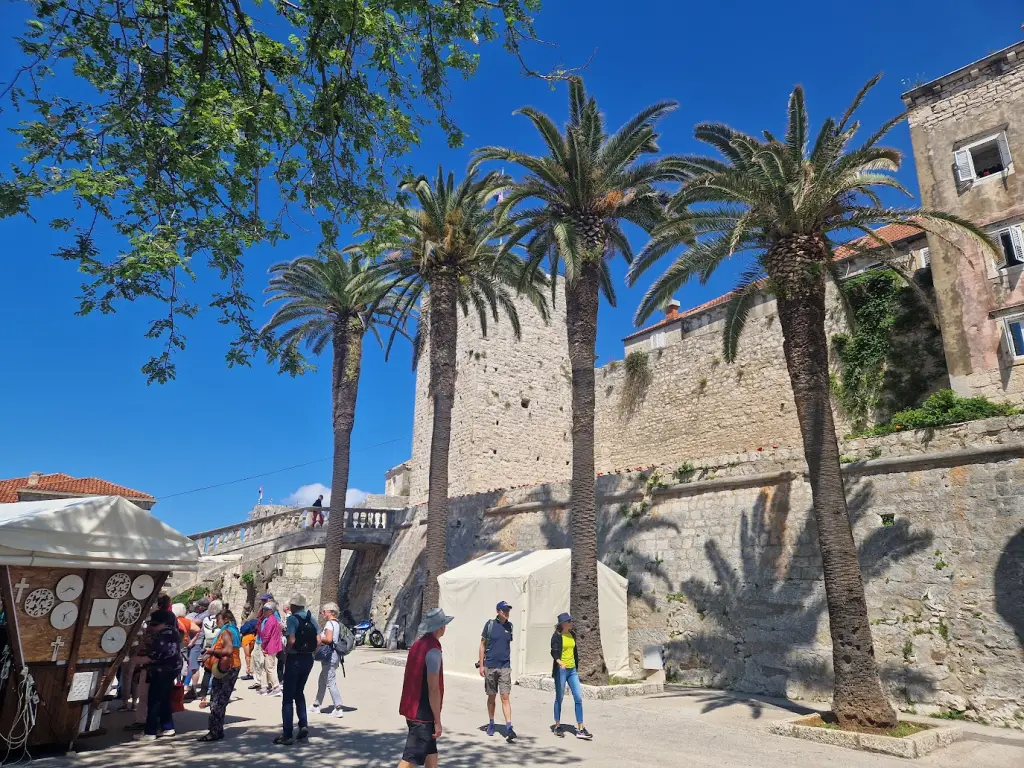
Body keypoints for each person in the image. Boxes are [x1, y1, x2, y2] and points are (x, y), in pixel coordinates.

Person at [397, 608, 453, 768]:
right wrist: (437, 720)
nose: (445, 628)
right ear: (439, 628)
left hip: (412, 710)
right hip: (422, 715)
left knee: (431, 756)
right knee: (409, 761)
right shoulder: (433, 651)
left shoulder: (418, 644)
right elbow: (433, 688)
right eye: (443, 624)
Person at [274, 594, 318, 745]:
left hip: (295, 659)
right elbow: (318, 640)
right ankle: (303, 725)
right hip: (308, 659)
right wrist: (313, 654)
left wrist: (285, 654)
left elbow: (291, 640)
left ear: (293, 606)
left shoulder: (292, 619)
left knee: (287, 697)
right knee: (299, 692)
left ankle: (287, 734)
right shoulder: (312, 618)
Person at [135, 610, 181, 741]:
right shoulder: (173, 631)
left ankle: (150, 731)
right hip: (172, 668)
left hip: (161, 670)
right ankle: (168, 727)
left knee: (154, 700)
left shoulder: (162, 635)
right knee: (164, 698)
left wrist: (137, 660)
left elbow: (155, 655)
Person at [197, 609, 242, 742]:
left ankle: (214, 731)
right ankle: (217, 730)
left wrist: (211, 651)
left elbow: (228, 650)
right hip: (232, 667)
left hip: (227, 669)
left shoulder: (226, 632)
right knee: (220, 699)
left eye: (218, 620)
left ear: (226, 620)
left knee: (217, 700)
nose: (217, 622)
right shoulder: (233, 629)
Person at [550, 613, 592, 740]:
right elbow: (554, 652)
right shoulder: (556, 636)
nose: (571, 622)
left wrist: (575, 666)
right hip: (561, 670)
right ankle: (557, 726)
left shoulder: (572, 634)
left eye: (571, 620)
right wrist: (560, 662)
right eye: (568, 621)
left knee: (578, 698)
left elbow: (574, 652)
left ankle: (580, 729)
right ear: (562, 624)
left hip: (572, 670)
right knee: (559, 697)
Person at [478, 600, 516, 742]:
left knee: (505, 697)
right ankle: (492, 723)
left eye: (508, 610)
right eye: (505, 610)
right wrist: (481, 665)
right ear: (498, 611)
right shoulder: (490, 625)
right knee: (492, 697)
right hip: (490, 666)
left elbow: (507, 644)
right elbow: (482, 645)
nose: (507, 613)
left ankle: (509, 727)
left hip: (505, 667)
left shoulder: (510, 626)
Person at [313, 602, 344, 717]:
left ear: (331, 612)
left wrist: (318, 637)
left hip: (330, 656)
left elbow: (329, 639)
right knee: (323, 679)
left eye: (324, 611)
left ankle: (338, 707)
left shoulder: (329, 624)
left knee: (330, 681)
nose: (322, 613)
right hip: (335, 656)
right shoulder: (337, 624)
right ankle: (316, 704)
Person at [196, 599, 224, 708]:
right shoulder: (220, 620)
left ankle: (203, 697)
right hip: (217, 646)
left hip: (206, 646)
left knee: (207, 672)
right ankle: (214, 696)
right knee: (217, 672)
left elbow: (203, 633)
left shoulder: (205, 619)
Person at [253, 602, 283, 695]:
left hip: (270, 646)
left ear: (271, 611)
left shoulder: (270, 620)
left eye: (265, 610)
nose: (264, 611)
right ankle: (265, 687)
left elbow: (267, 635)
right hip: (272, 646)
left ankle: (276, 687)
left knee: (270, 667)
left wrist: (263, 645)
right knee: (267, 667)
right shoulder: (271, 619)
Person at [239, 614, 258, 681]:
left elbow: (241, 632)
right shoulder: (255, 622)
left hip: (246, 638)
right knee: (251, 654)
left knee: (247, 656)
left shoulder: (246, 623)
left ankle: (249, 671)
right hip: (253, 637)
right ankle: (252, 670)